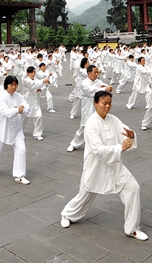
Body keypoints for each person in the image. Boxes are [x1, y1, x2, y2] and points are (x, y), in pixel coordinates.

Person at [60, 90, 147, 241]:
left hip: (115, 166)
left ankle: (132, 228)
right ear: (95, 104)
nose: (107, 106)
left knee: (133, 188)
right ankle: (67, 214)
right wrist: (120, 148)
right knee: (84, 196)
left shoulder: (113, 119)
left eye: (109, 103)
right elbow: (97, 150)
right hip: (96, 167)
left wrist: (131, 136)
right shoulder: (91, 124)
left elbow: (125, 131)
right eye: (104, 103)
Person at [0, 75, 30, 184]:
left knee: (22, 149)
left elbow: (27, 107)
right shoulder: (1, 97)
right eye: (11, 85)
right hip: (2, 129)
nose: (13, 87)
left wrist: (22, 110)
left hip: (17, 129)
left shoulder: (19, 96)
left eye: (15, 85)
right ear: (6, 85)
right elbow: (5, 112)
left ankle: (19, 175)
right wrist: (17, 110)